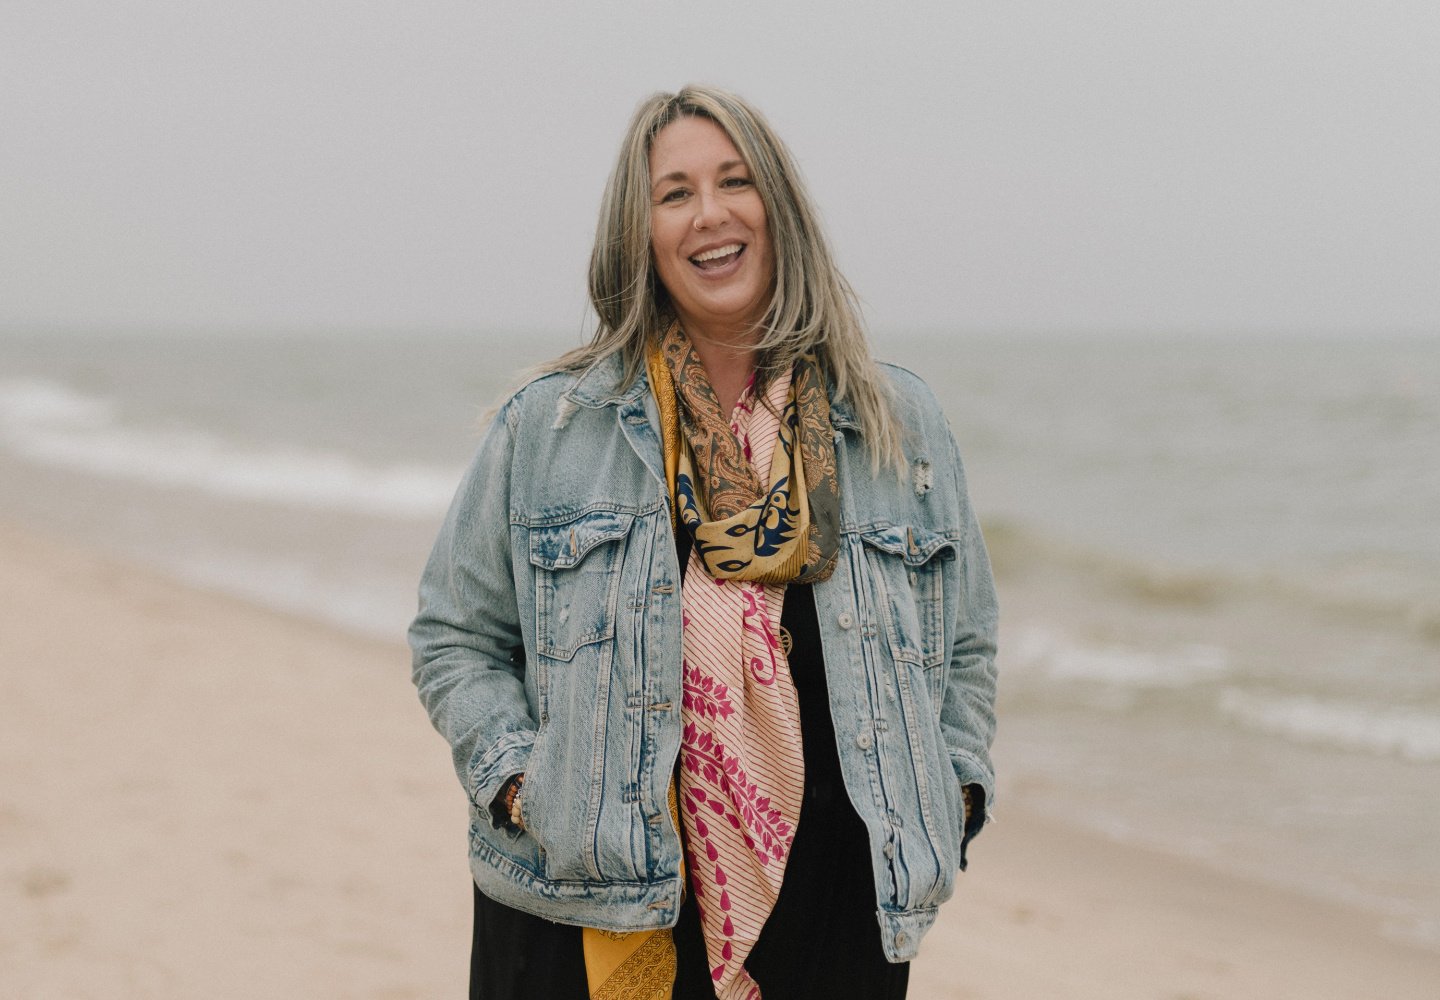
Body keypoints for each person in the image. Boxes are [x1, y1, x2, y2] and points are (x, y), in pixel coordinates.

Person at [409, 84, 998, 1000]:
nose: (710, 214)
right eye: (675, 192)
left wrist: (952, 797)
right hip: (593, 896)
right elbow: (455, 633)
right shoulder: (553, 427)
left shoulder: (897, 423)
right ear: (639, 231)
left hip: (840, 908)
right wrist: (522, 788)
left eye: (734, 181)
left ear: (779, 206)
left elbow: (963, 644)